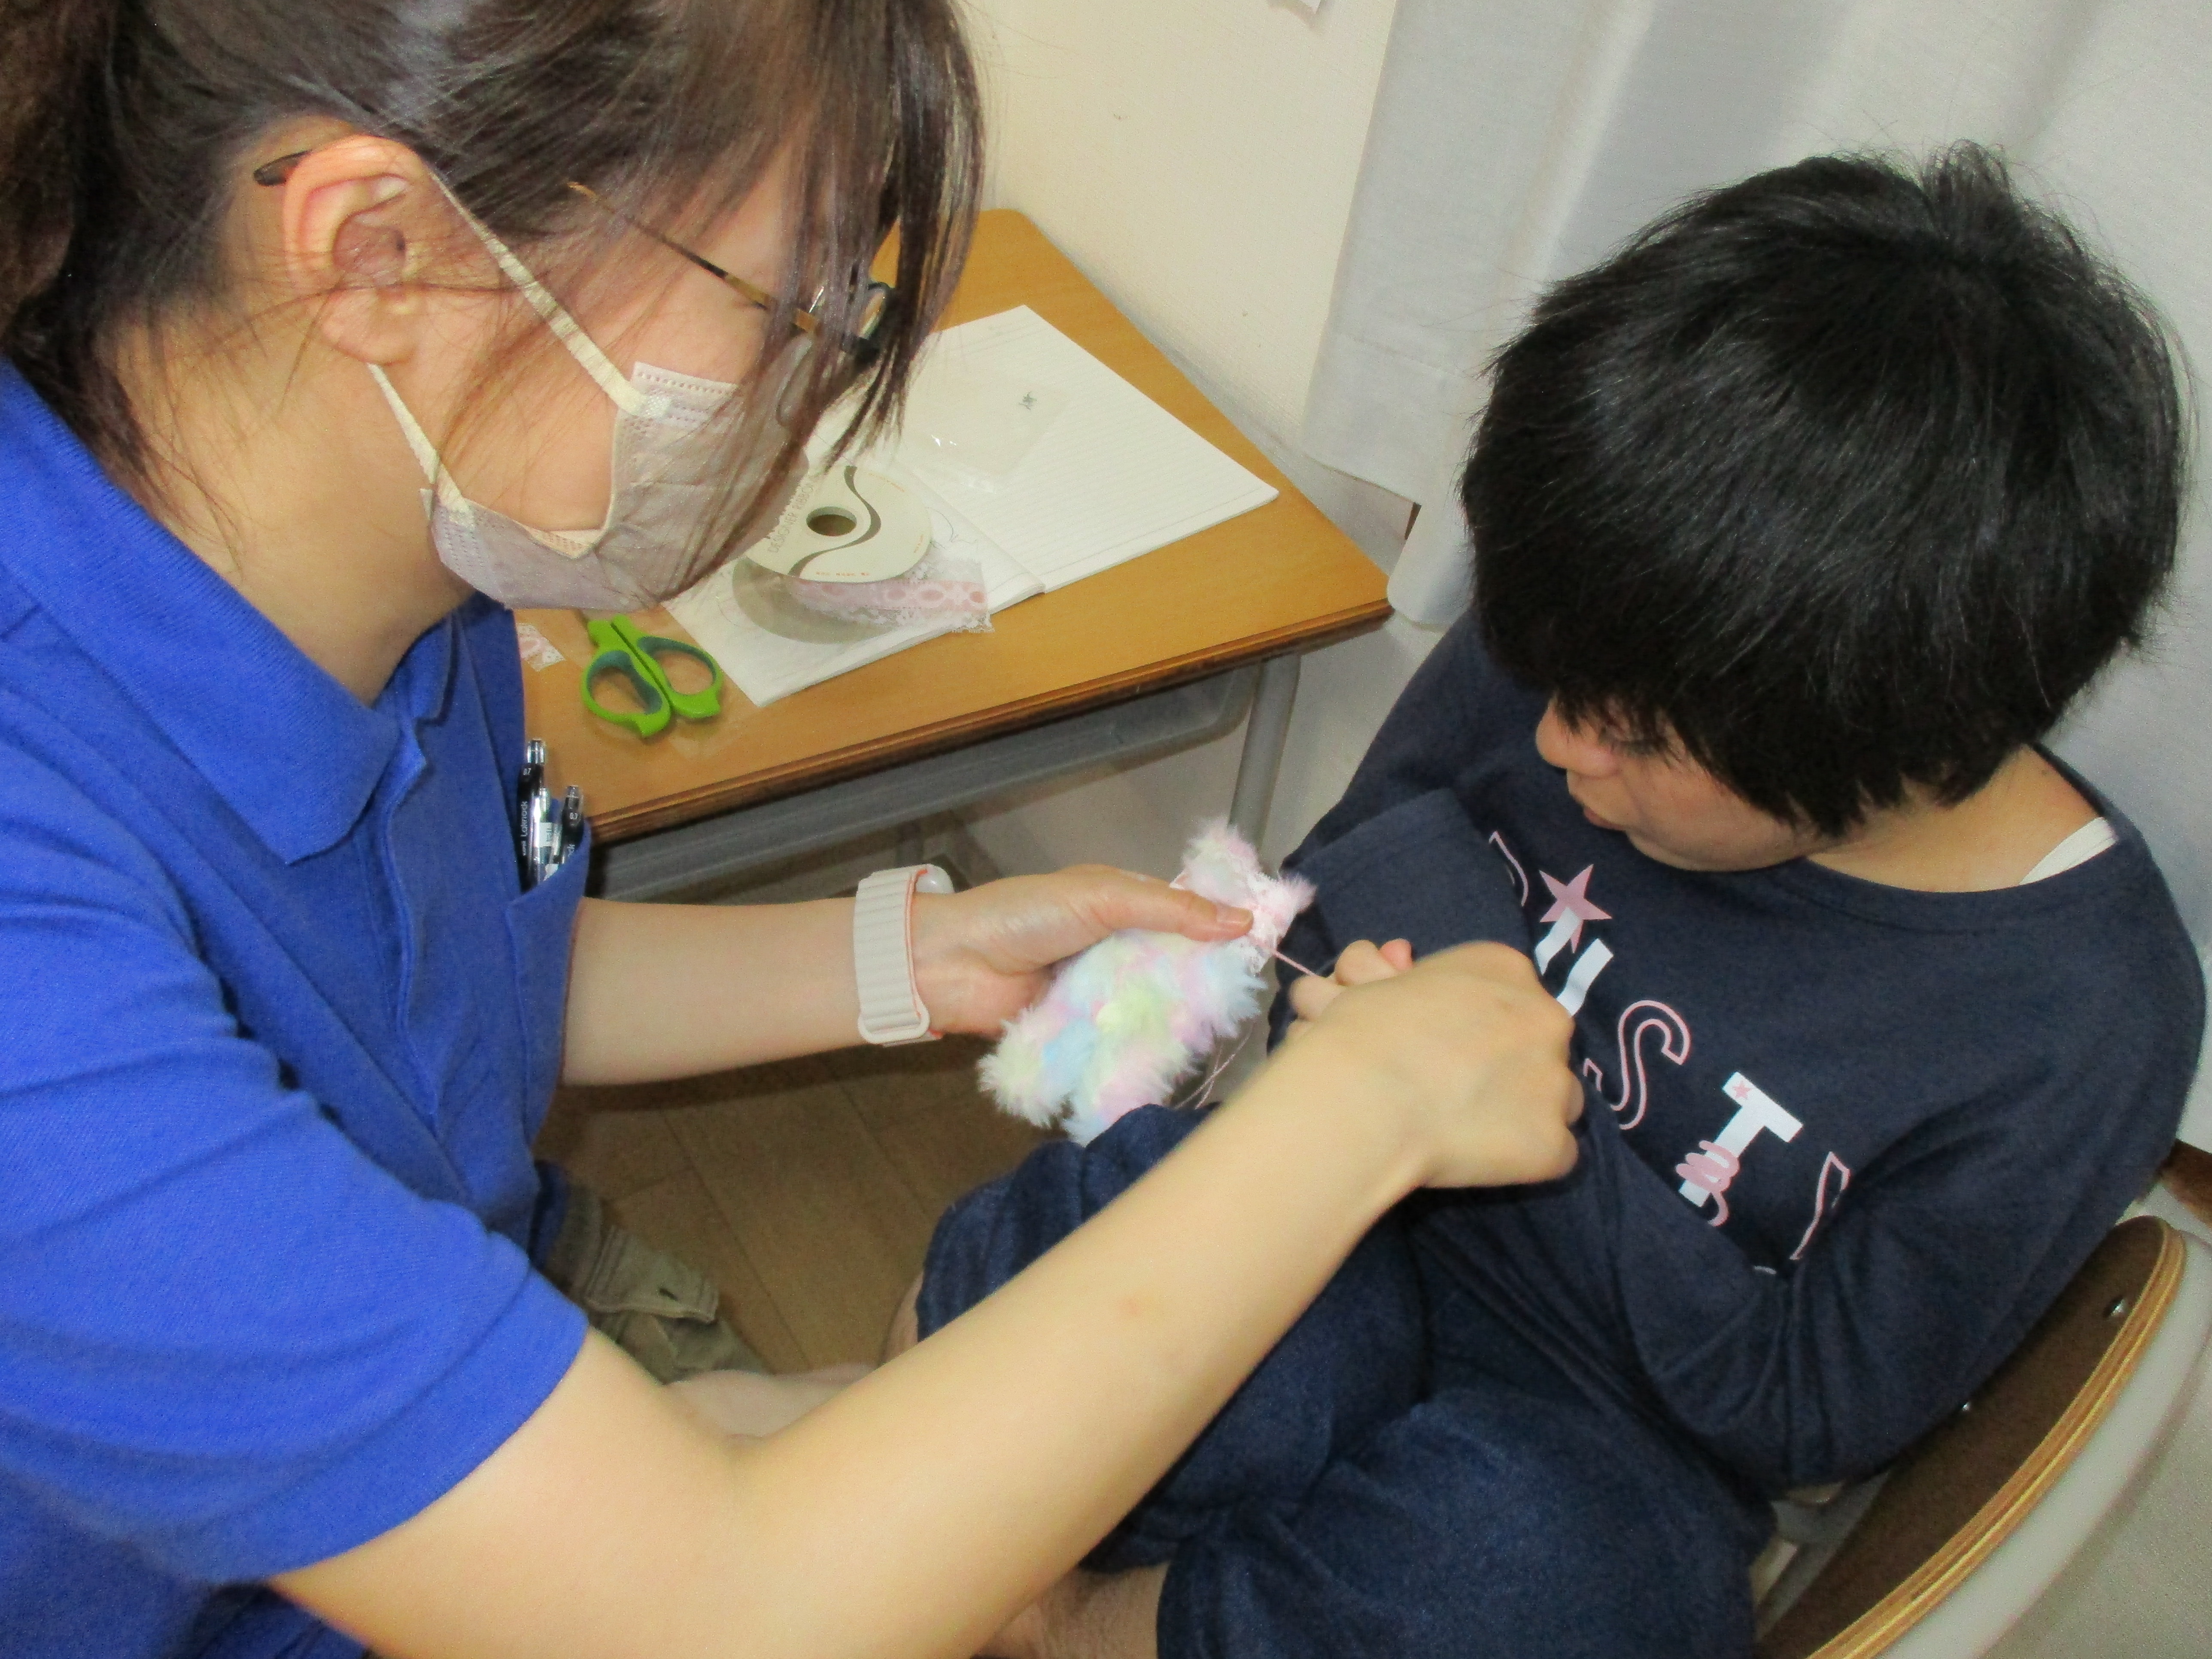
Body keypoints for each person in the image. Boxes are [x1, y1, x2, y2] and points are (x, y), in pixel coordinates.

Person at [0, 4, 1591, 1657]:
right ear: (380, 253)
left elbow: (434, 976)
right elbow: (720, 1606)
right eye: (788, 304)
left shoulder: (407, 573)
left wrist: (913, 958)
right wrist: (1361, 1114)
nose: (814, 387)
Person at [905, 146, 2209, 1659]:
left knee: (1552, 1572)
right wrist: (1417, 1071)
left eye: (1633, 739)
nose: (1553, 744)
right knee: (1176, 1254)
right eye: (1550, 679)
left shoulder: (2082, 1012)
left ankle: (1042, 1617)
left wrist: (1476, 1040)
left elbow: (1805, 1403)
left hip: (1606, 1440)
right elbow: (1339, 879)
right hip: (1335, 1205)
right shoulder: (1621, 629)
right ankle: (927, 1497)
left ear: (1893, 747)